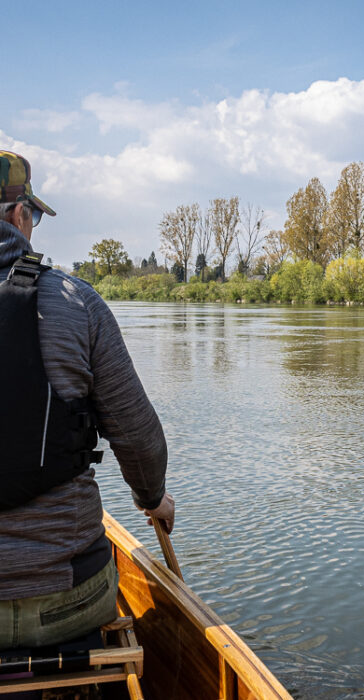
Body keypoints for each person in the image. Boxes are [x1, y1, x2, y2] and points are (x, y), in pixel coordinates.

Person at [0, 150, 174, 649]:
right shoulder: (77, 302)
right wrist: (152, 498)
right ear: (18, 216)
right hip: (68, 599)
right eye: (32, 215)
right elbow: (139, 440)